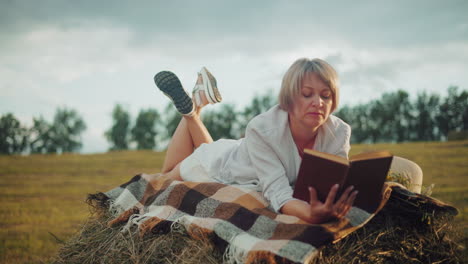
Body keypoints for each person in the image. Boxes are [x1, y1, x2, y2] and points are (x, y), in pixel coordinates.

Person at [153, 58, 356, 224]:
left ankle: (197, 102)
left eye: (326, 96)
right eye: (306, 94)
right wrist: (311, 214)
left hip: (240, 152)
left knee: (210, 147)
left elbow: (335, 183)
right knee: (165, 178)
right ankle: (192, 110)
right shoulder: (262, 128)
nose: (318, 102)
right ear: (289, 99)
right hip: (220, 167)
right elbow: (280, 195)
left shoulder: (339, 132)